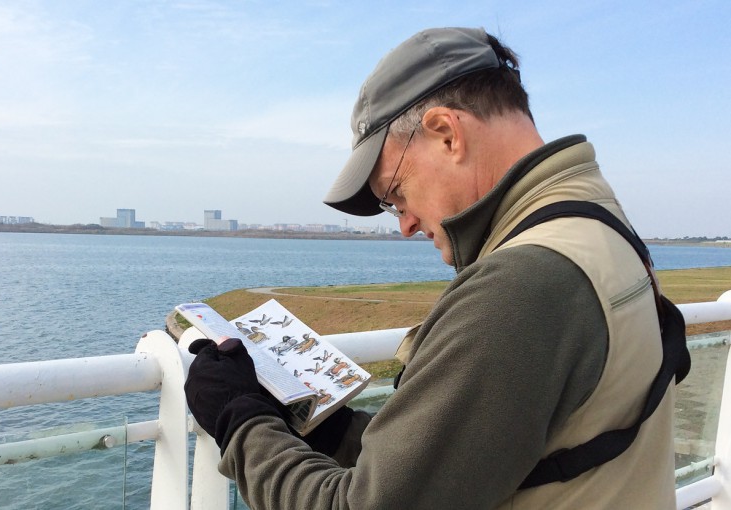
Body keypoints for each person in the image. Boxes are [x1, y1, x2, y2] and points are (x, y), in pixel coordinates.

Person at [185, 27, 677, 508]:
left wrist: (241, 420)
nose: (405, 224)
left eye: (396, 196)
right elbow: (476, 460)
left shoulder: (522, 285)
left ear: (446, 134)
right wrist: (332, 431)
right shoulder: (596, 223)